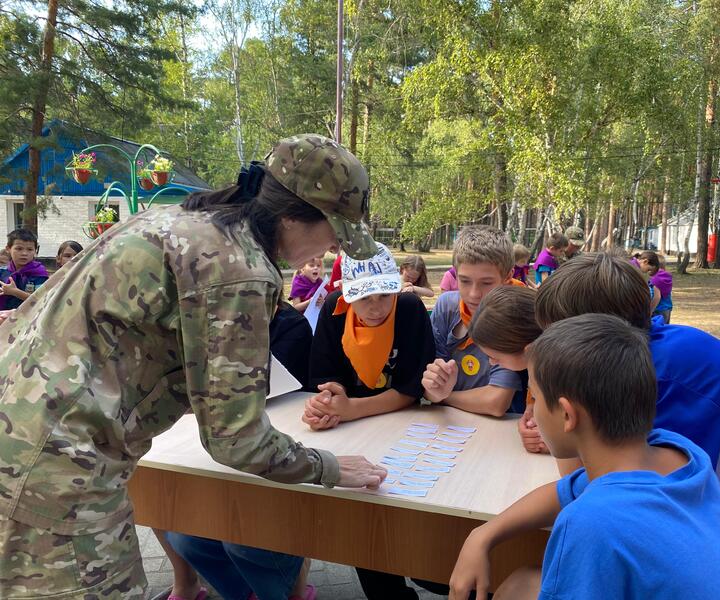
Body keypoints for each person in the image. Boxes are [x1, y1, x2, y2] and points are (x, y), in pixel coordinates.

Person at [0, 134, 388, 599]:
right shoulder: (238, 267)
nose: (328, 252)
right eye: (334, 234)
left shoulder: (176, 220)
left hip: (23, 434)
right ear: (293, 215)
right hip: (55, 470)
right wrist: (327, 468)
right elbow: (235, 440)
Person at [448, 314, 720, 600]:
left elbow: (585, 507)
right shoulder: (678, 453)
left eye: (536, 395)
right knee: (522, 583)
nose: (531, 410)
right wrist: (482, 534)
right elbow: (565, 490)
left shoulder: (592, 521)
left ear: (567, 415)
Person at [161, 301, 316, 600]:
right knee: (183, 533)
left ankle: (286, 585)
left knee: (243, 540)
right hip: (216, 434)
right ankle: (243, 591)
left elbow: (269, 387)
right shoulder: (207, 322)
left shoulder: (291, 325)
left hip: (279, 431)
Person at [302, 242, 434, 430]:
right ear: (346, 296)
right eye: (363, 297)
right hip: (347, 427)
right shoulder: (334, 310)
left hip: (400, 423)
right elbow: (324, 379)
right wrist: (324, 405)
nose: (376, 308)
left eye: (385, 295)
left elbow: (411, 388)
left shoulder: (409, 309)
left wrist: (353, 409)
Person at [422, 225, 524, 417]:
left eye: (486, 283)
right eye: (465, 281)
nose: (474, 294)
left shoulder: (515, 314)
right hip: (449, 422)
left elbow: (496, 402)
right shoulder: (447, 307)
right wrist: (435, 390)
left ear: (508, 276)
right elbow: (430, 389)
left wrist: (445, 395)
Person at [468, 286, 546, 454]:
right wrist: (534, 411)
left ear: (529, 351)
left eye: (496, 357)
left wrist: (558, 441)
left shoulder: (565, 378)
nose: (491, 363)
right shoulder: (536, 368)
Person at [0, 229, 49, 310]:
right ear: (8, 249)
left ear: (35, 250)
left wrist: (14, 292)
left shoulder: (39, 274)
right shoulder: (2, 272)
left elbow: (41, 300)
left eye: (30, 249)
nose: (24, 253)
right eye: (19, 249)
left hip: (29, 317)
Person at [633, 250, 673, 323]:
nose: (648, 272)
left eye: (650, 269)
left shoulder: (657, 278)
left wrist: (650, 311)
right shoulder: (665, 277)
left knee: (656, 330)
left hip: (658, 310)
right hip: (666, 309)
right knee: (664, 329)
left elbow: (657, 296)